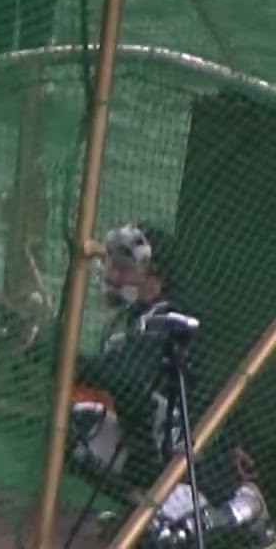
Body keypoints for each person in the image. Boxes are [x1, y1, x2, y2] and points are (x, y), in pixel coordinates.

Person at [66, 222, 276, 546]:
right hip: (149, 456)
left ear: (155, 275)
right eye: (112, 266)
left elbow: (122, 375)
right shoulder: (126, 321)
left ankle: (241, 512)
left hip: (193, 467)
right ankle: (140, 509)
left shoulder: (173, 318)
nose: (112, 277)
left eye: (125, 269)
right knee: (74, 425)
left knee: (161, 539)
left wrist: (48, 349)